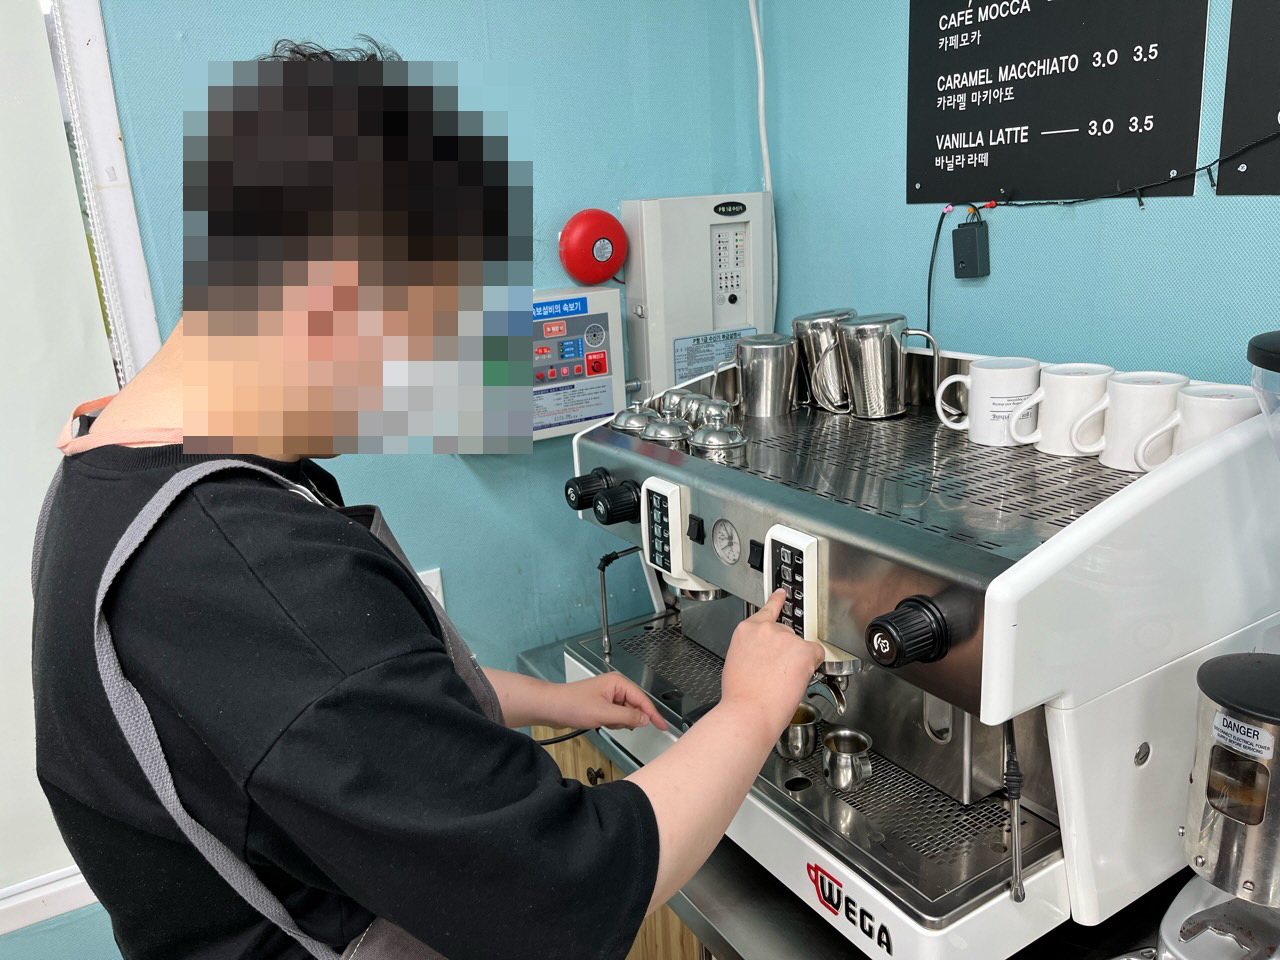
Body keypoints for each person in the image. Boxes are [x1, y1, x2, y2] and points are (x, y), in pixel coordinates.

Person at [31, 38, 824, 960]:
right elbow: (568, 891)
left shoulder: (109, 471)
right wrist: (749, 709)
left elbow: (315, 725)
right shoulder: (249, 570)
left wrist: (543, 700)